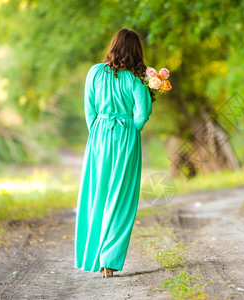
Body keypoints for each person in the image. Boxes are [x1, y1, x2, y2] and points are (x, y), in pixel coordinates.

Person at [74, 28, 152, 278]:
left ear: (113, 46)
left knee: (96, 194)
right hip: (125, 137)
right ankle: (109, 260)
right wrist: (131, 124)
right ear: (136, 51)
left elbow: (89, 110)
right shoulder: (136, 79)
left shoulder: (94, 72)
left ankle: (93, 256)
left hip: (99, 136)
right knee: (121, 199)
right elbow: (141, 116)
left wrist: (98, 131)